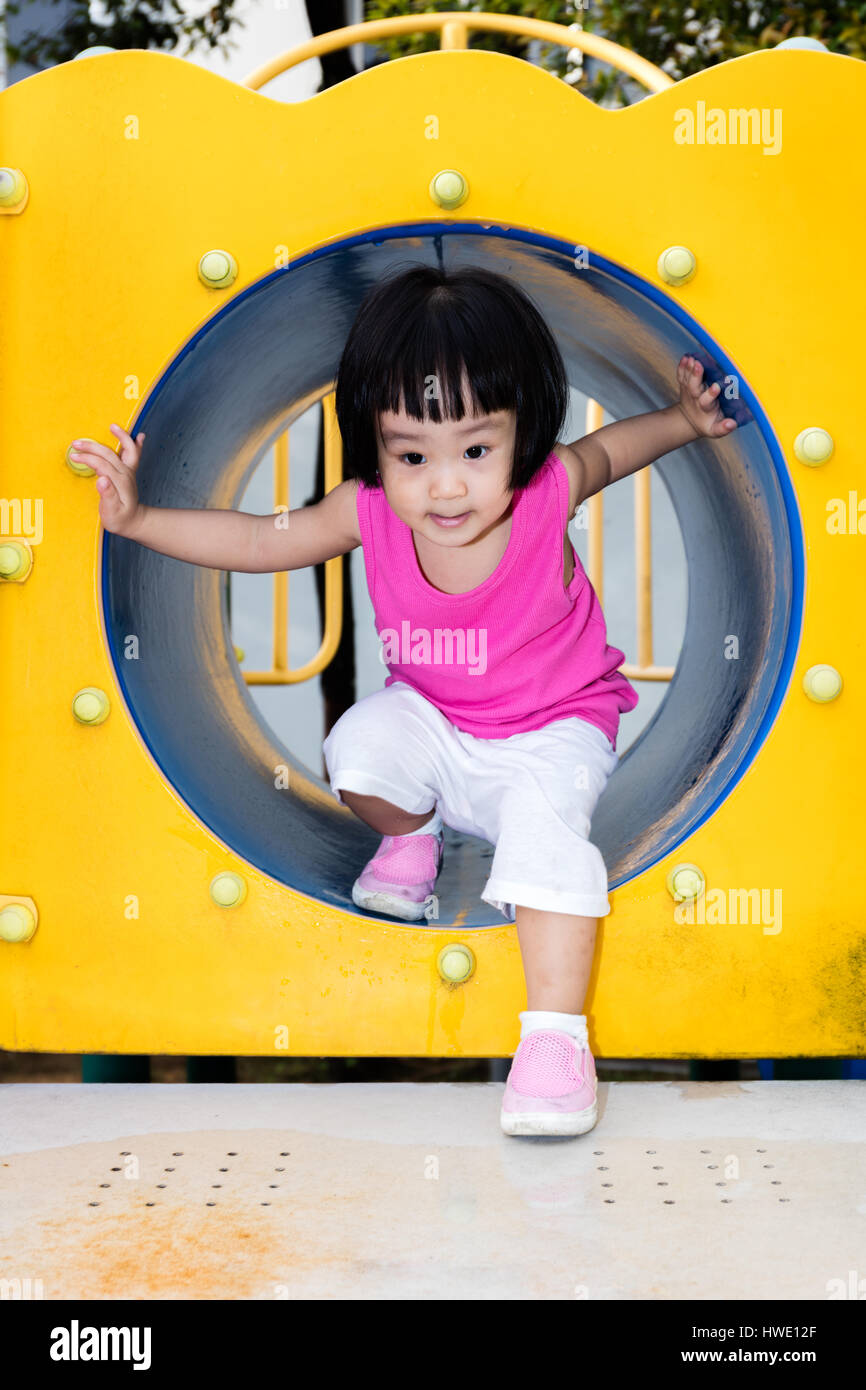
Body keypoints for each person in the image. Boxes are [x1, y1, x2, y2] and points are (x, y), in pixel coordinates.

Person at [69, 263, 737, 1138]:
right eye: (412, 455)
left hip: (551, 734)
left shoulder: (549, 491)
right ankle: (413, 840)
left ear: (523, 434)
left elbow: (620, 448)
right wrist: (140, 520)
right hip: (437, 725)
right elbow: (261, 540)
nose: (446, 486)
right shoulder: (372, 512)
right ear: (376, 448)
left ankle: (556, 1043)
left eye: (475, 450)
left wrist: (688, 421)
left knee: (550, 852)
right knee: (359, 747)